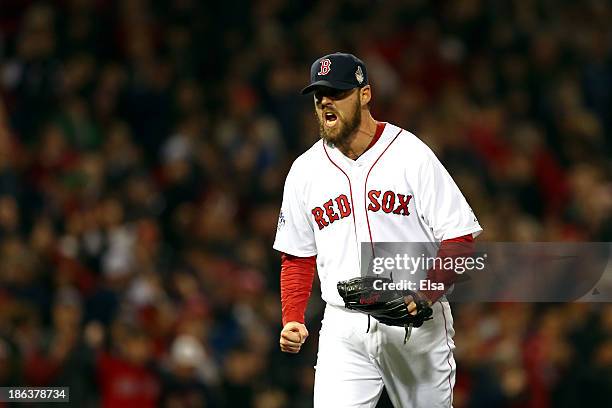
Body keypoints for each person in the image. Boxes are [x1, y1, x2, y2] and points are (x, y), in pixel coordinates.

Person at [273, 52, 482, 407]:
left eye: (337, 93)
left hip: (415, 324)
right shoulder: (305, 170)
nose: (325, 101)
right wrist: (293, 317)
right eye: (319, 95)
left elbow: (459, 240)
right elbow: (297, 255)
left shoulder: (410, 154)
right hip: (344, 325)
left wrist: (425, 294)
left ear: (365, 94)